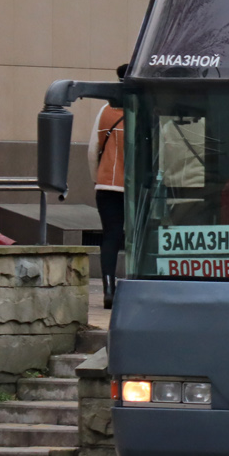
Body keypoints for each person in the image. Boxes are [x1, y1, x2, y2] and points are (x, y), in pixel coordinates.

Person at [90, 101, 126, 308]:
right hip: (139, 187)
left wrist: (98, 179)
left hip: (108, 184)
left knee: (111, 237)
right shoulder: (148, 104)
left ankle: (109, 289)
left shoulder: (105, 109)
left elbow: (94, 148)